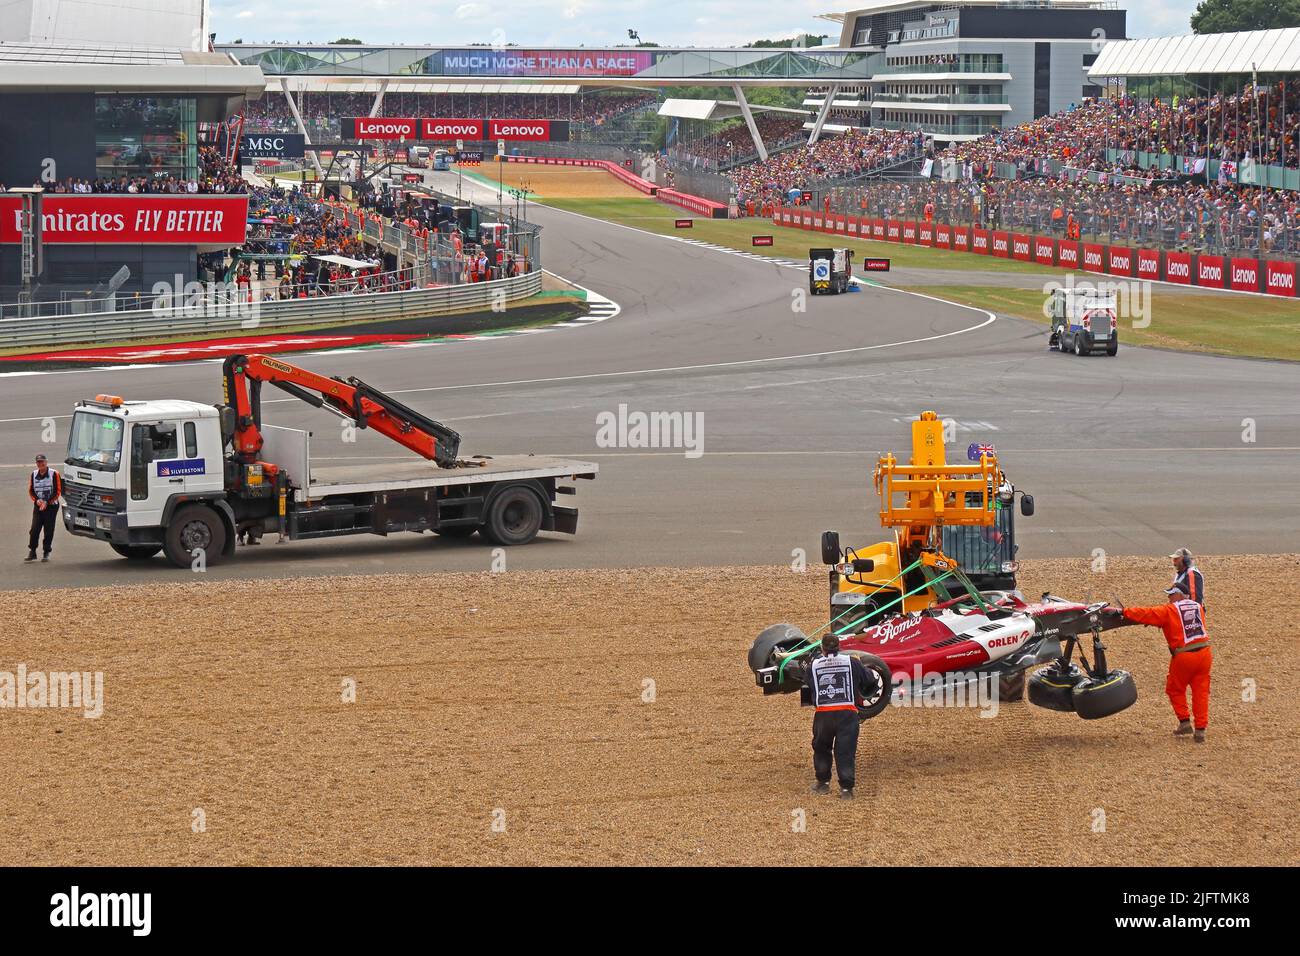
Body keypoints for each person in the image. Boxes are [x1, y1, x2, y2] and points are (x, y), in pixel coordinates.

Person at [1111, 581, 1212, 743]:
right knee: (1201, 692)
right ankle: (1200, 730)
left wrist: (1125, 612)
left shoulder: (1170, 610)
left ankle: (1185, 721)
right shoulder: (1197, 606)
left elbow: (1148, 613)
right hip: (1205, 653)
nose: (1169, 597)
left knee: (1174, 689)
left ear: (1179, 595)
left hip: (1184, 656)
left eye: (1171, 594)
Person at [809, 633, 873, 800]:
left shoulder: (813, 665)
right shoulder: (851, 662)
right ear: (839, 647)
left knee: (822, 747)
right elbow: (870, 680)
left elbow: (807, 683)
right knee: (845, 750)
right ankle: (846, 789)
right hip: (847, 712)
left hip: (823, 713)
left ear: (822, 648)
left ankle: (822, 783)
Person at [27, 453, 62, 563]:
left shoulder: (54, 473)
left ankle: (46, 552)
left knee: (48, 529)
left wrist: (47, 502)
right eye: (38, 462)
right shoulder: (33, 474)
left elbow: (57, 491)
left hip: (51, 506)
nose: (40, 464)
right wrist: (37, 500)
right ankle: (32, 551)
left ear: (46, 462)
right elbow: (31, 491)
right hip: (39, 505)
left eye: (42, 462)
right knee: (34, 529)